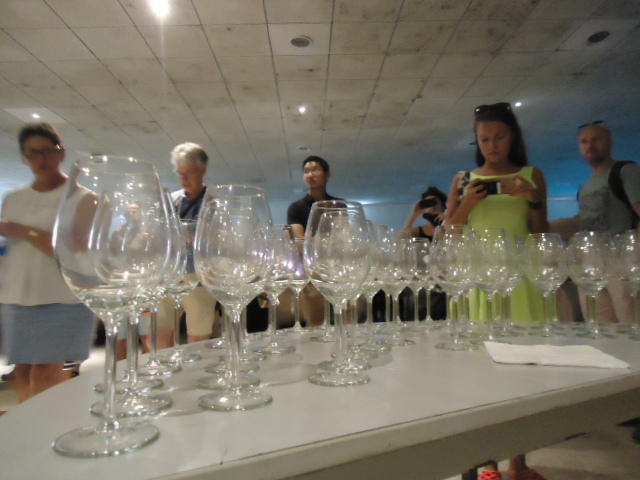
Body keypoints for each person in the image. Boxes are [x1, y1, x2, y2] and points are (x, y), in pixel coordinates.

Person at [446, 103, 548, 480]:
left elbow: (541, 233)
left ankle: (518, 461)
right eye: (484, 139)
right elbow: (450, 235)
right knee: (483, 371)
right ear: (476, 141)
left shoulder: (532, 175)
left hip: (521, 280)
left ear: (513, 136)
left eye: (500, 137)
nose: (492, 145)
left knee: (525, 370)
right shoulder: (463, 179)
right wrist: (467, 203)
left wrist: (531, 199)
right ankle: (488, 462)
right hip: (478, 283)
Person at [0, 123, 95, 402]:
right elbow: (10, 251)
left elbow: (75, 250)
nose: (41, 159)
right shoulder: (14, 199)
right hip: (18, 297)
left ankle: (45, 425)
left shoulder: (82, 198)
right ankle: (30, 424)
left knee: (45, 376)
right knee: (21, 373)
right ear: (24, 157)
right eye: (33, 153)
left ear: (61, 153)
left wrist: (23, 231)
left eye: (47, 151)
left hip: (61, 299)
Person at [576, 122, 640, 324]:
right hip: (591, 258)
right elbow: (584, 220)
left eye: (596, 139)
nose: (590, 145)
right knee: (598, 325)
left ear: (609, 142)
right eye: (584, 141)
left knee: (631, 321)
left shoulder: (625, 171)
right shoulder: (585, 186)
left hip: (622, 256)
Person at [165, 142, 219, 343]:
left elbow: (214, 242)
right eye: (180, 173)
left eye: (189, 173)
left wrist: (185, 233)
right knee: (157, 334)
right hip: (170, 275)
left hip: (199, 278)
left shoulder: (214, 202)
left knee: (198, 337)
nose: (183, 179)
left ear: (202, 170)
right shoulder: (172, 200)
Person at [286, 156, 341, 327]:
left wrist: (314, 238)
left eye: (315, 169)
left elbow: (342, 241)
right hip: (310, 275)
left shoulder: (339, 206)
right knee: (315, 325)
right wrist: (326, 239)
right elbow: (300, 244)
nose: (310, 174)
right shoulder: (296, 207)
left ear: (327, 174)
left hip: (337, 272)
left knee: (344, 321)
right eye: (306, 171)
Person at [401, 186, 448, 321]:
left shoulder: (448, 228)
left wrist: (447, 222)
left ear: (442, 205)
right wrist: (414, 214)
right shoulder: (418, 230)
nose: (432, 207)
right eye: (427, 203)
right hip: (420, 279)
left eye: (435, 202)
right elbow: (400, 242)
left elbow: (448, 249)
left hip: (443, 279)